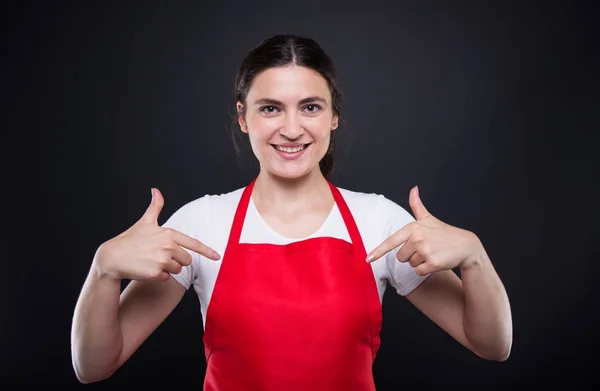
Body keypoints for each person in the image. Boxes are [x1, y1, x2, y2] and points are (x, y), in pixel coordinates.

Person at [70, 34, 512, 390]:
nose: (292, 129)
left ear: (334, 115)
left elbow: (491, 344)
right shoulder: (201, 223)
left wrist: (474, 255)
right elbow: (95, 366)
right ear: (243, 117)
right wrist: (102, 270)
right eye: (270, 109)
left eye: (310, 107)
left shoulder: (379, 221)